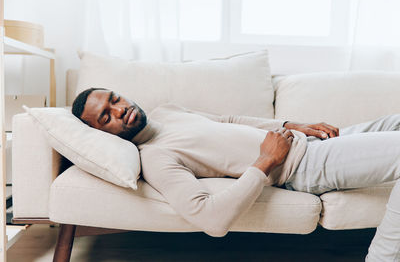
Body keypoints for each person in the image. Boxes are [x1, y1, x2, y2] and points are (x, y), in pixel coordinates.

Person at [72, 87, 400, 261]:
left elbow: (228, 120)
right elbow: (210, 220)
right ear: (104, 134)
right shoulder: (155, 157)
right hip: (307, 165)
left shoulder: (167, 111)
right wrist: (265, 162)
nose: (119, 109)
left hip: (310, 141)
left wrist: (291, 125)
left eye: (114, 99)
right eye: (106, 117)